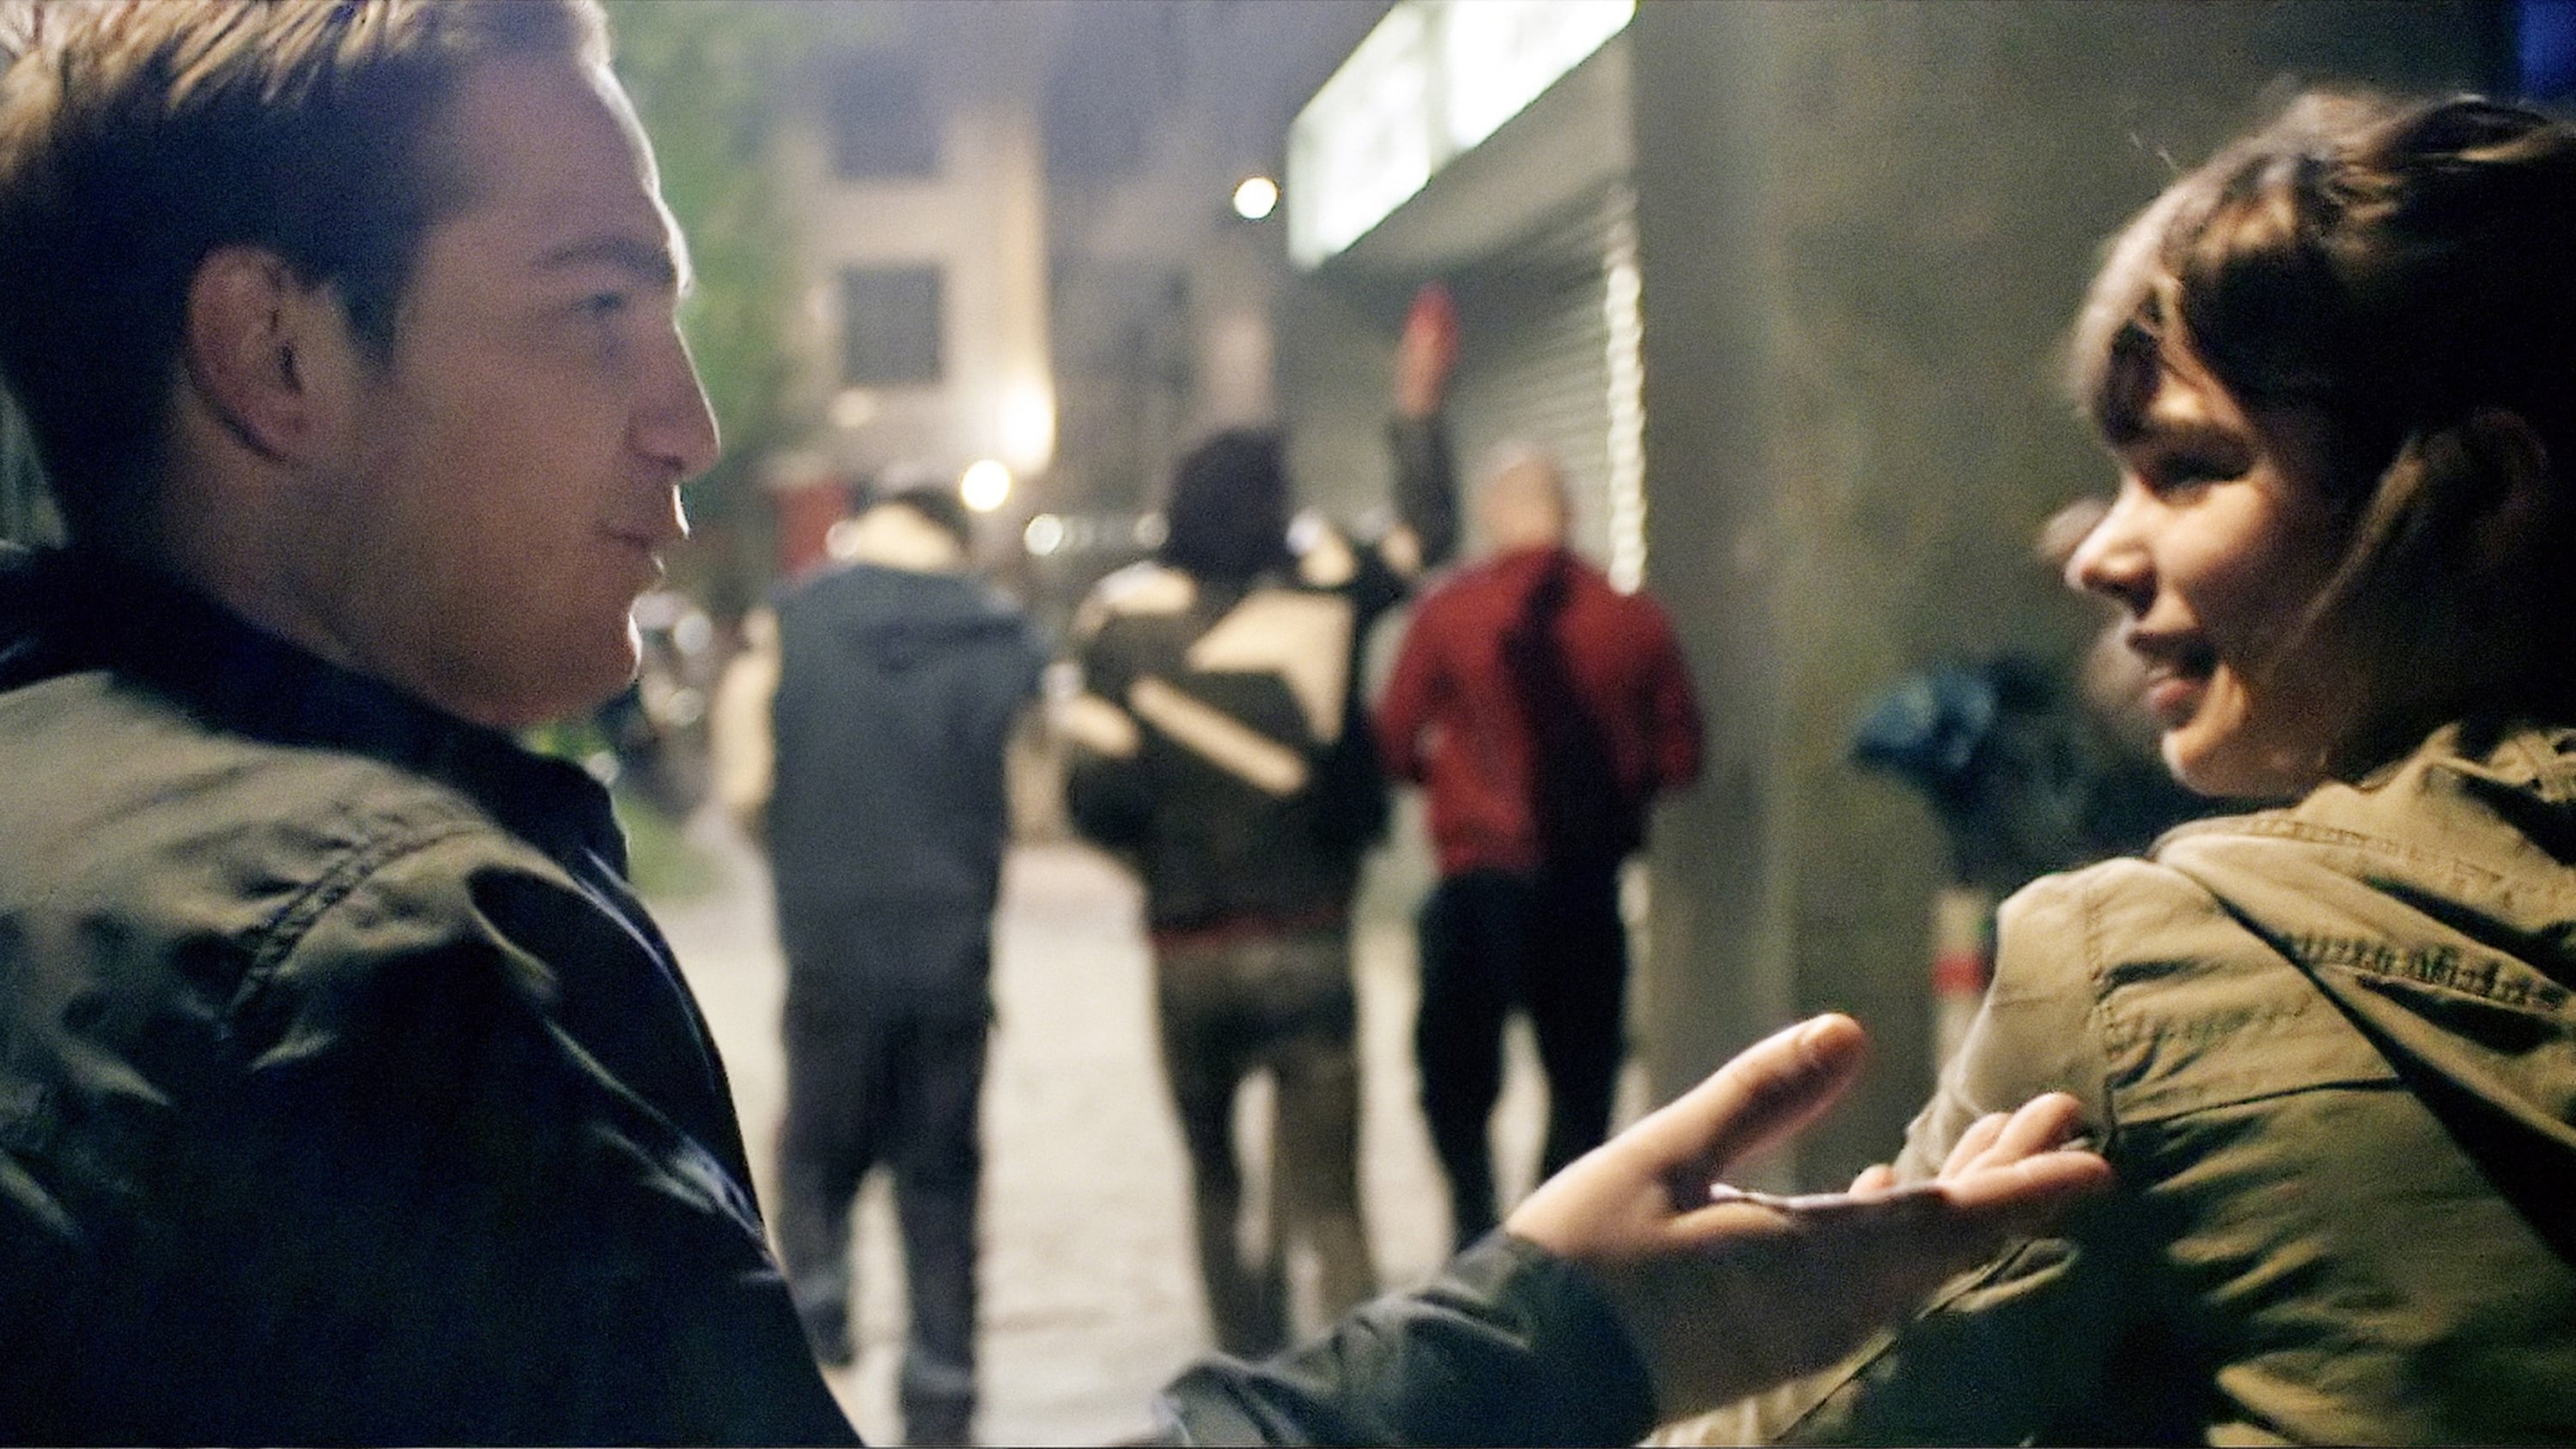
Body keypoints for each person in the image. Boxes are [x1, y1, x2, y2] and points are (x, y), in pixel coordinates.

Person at [0, 3, 2110, 1443]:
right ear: (276, 350)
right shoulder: (384, 965)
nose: (690, 421)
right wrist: (1566, 1332)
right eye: (596, 305)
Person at [1684, 91, 2576, 1446]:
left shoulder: (2145, 982)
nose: (2096, 554)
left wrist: (1634, 1320)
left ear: (2489, 495)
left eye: (2190, 469)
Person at [1060, 286, 1462, 1356]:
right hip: (1310, 932)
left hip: (1188, 947)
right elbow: (1426, 536)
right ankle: (1359, 1394)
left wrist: (1160, 862)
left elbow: (1091, 796)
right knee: (1335, 1199)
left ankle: (1245, 1371)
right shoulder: (1329, 589)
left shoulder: (1118, 618)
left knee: (1212, 1180)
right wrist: (1418, 407)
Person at [710, 485, 1049, 1444]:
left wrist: (806, 851)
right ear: (955, 538)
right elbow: (1032, 808)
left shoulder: (789, 625)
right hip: (951, 960)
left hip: (828, 953)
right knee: (940, 1186)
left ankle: (818, 1354)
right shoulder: (1005, 640)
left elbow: (747, 788)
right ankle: (941, 1404)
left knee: (815, 1163)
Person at [1375, 446, 1703, 1248]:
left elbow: (1393, 740)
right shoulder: (1632, 618)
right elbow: (1681, 756)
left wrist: (1450, 785)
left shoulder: (1450, 612)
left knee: (1454, 1082)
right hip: (1585, 890)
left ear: (1493, 515)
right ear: (1570, 513)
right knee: (1582, 1089)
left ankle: (1473, 1228)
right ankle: (1547, 1248)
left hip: (1477, 887)